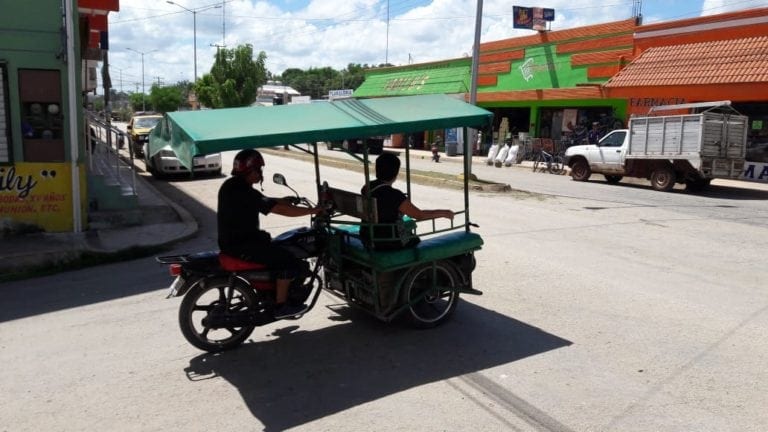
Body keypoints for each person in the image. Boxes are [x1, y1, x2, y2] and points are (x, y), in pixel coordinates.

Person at [217, 149, 322, 319]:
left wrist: (285, 200)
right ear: (251, 170)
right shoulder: (242, 190)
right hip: (243, 246)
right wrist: (312, 211)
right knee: (287, 260)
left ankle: (271, 294)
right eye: (259, 169)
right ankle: (281, 306)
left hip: (236, 242)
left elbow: (264, 200)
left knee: (279, 249)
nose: (261, 173)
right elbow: (279, 210)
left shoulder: (233, 185)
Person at [360, 152, 453, 251]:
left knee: (408, 227)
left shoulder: (367, 187)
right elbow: (419, 215)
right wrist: (444, 213)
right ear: (396, 173)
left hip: (368, 236)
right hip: (388, 241)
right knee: (414, 239)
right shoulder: (394, 195)